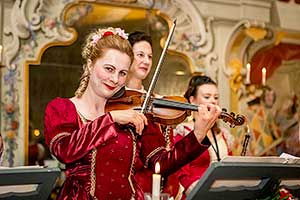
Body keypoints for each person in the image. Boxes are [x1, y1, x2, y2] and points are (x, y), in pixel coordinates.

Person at [44, 27, 221, 200]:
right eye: (109, 69)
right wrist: (111, 119)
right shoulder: (62, 108)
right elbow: (64, 150)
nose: (115, 80)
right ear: (90, 65)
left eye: (122, 73)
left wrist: (198, 133)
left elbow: (161, 163)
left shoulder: (133, 111)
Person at [126, 31, 179, 198]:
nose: (146, 61)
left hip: (156, 186)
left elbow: (167, 148)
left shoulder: (156, 102)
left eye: (150, 56)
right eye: (140, 55)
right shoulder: (113, 100)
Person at [173, 75, 234, 199]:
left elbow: (231, 168)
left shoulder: (223, 134)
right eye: (207, 97)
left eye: (216, 97)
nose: (213, 101)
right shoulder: (183, 132)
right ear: (192, 100)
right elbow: (181, 174)